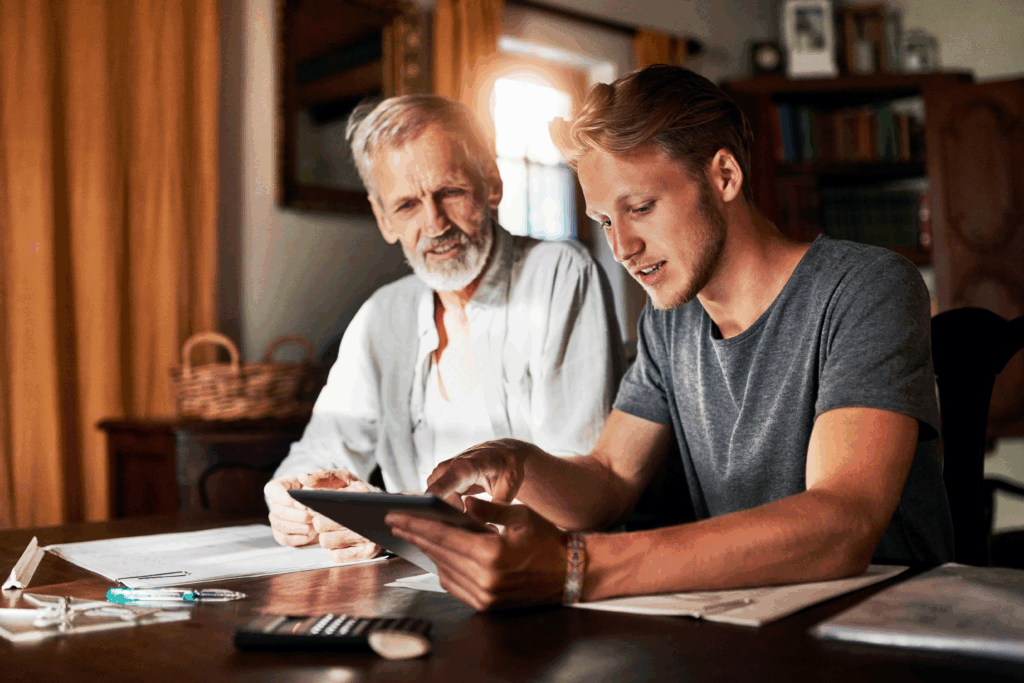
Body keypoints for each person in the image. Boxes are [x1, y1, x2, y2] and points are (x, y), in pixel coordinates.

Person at [385, 65, 954, 611]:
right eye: (606, 220)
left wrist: (575, 565)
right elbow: (607, 480)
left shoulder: (866, 288)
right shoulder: (668, 320)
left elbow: (842, 523)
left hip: (886, 627)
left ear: (724, 176)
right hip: (751, 624)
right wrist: (516, 460)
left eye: (640, 208)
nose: (622, 247)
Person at [265, 95, 623, 563]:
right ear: (383, 219)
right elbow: (321, 450)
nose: (434, 223)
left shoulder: (560, 274)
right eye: (408, 204)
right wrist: (292, 499)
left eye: (450, 192)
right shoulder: (381, 315)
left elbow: (577, 496)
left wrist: (400, 522)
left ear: (491, 184)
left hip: (544, 576)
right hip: (418, 582)